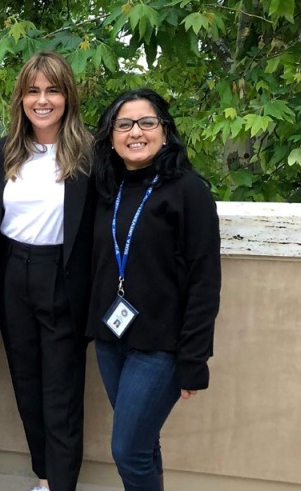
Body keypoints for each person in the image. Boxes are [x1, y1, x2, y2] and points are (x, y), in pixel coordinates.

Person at [87, 88, 221, 491]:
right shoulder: (104, 189)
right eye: (124, 124)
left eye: (147, 122)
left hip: (161, 348)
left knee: (128, 449)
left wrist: (193, 358)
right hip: (111, 340)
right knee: (144, 444)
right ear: (111, 135)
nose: (136, 132)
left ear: (165, 131)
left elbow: (205, 280)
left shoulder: (188, 191)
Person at [0, 51, 95, 491]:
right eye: (33, 91)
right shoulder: (7, 151)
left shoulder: (88, 154)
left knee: (61, 391)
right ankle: (45, 477)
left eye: (52, 90)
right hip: (13, 271)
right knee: (26, 384)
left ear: (67, 96)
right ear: (21, 98)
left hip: (61, 276)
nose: (43, 100)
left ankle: (62, 484)